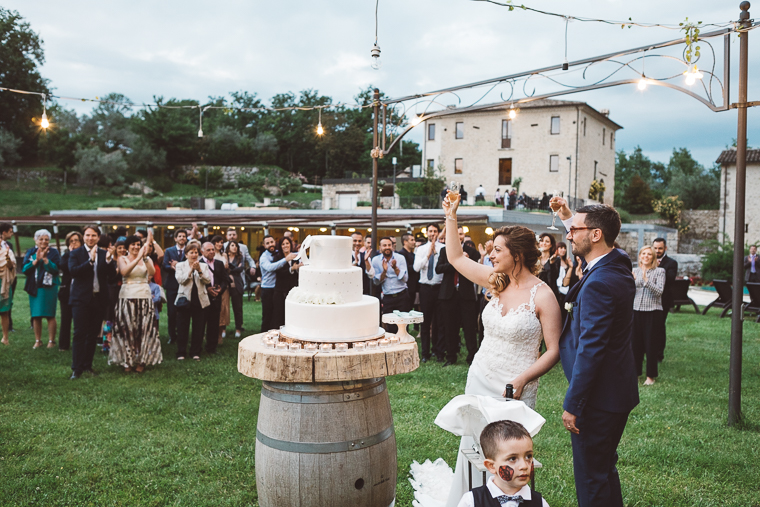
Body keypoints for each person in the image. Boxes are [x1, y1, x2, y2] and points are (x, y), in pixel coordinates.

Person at [440, 192, 561, 506]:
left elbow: (553, 351)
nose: (490, 255)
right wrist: (451, 216)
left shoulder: (543, 295)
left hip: (515, 388)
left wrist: (522, 380)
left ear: (517, 255)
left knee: (511, 456)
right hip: (481, 377)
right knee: (474, 448)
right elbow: (456, 258)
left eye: (497, 250)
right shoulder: (496, 281)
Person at [552, 197, 639, 507]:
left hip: (600, 398)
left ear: (596, 234)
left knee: (591, 478)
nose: (568, 235)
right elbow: (592, 243)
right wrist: (567, 216)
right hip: (617, 390)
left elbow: (592, 348)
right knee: (602, 471)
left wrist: (574, 404)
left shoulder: (600, 283)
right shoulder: (617, 264)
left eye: (574, 230)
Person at [456, 420, 549, 507]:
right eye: (512, 458)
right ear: (491, 466)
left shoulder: (539, 503)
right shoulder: (472, 501)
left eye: (528, 456)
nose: (524, 466)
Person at [69, 225, 117, 379]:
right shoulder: (76, 253)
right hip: (81, 299)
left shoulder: (104, 254)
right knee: (79, 333)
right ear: (84, 236)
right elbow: (73, 271)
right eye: (88, 235)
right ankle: (76, 369)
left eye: (93, 235)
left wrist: (110, 262)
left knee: (92, 334)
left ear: (98, 237)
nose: (90, 238)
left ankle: (87, 365)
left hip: (98, 299)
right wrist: (90, 261)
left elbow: (111, 278)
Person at [109, 235, 162, 373]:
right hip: (127, 296)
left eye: (138, 244)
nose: (136, 247)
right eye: (133, 245)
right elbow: (124, 272)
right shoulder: (122, 259)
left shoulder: (146, 259)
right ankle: (127, 361)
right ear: (127, 247)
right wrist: (137, 258)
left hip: (144, 295)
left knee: (143, 330)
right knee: (127, 330)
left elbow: (152, 272)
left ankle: (142, 360)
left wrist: (144, 258)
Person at [436, 239, 480, 366]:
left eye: (461, 234)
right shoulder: (445, 250)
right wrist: (456, 263)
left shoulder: (471, 251)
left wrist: (465, 260)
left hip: (466, 294)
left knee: (469, 327)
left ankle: (472, 357)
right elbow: (438, 268)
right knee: (449, 326)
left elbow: (476, 268)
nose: (459, 237)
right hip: (449, 294)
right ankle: (451, 356)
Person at [23, 229, 62, 349]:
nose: (44, 241)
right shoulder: (31, 252)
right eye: (41, 239)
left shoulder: (54, 252)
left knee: (50, 314)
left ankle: (51, 340)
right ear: (36, 240)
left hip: (49, 287)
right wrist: (36, 261)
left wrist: (45, 259)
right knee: (36, 315)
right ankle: (38, 340)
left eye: (46, 239)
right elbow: (25, 269)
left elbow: (56, 269)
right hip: (34, 287)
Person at [632, 246, 665, 386]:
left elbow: (659, 291)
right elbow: (631, 289)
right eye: (643, 254)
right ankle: (635, 374)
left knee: (651, 345)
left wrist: (646, 280)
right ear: (640, 256)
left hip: (652, 312)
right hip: (636, 311)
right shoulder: (634, 271)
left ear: (653, 257)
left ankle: (650, 376)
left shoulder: (659, 271)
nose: (646, 256)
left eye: (649, 254)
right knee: (635, 345)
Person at [413, 223, 445, 363]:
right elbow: (416, 268)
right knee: (425, 322)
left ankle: (438, 352)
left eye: (435, 231)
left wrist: (436, 252)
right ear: (426, 233)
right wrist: (428, 255)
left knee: (439, 322)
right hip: (425, 288)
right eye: (430, 231)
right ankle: (425, 353)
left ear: (438, 233)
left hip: (439, 288)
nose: (432, 233)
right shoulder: (420, 249)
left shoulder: (443, 248)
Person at [174, 242, 211, 360]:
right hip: (184, 301)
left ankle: (195, 352)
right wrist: (190, 270)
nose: (194, 255)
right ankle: (181, 352)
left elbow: (207, 280)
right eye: (191, 252)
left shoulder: (204, 266)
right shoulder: (180, 266)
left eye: (196, 252)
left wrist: (199, 270)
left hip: (199, 300)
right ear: (186, 255)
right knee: (182, 327)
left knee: (198, 328)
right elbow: (181, 280)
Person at [372, 237, 410, 333]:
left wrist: (395, 268)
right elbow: (376, 282)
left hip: (402, 295)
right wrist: (384, 271)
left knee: (403, 326)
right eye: (384, 245)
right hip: (388, 297)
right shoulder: (376, 260)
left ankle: (404, 346)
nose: (387, 247)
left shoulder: (400, 258)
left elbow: (405, 279)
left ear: (392, 246)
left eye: (389, 245)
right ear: (380, 247)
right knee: (390, 327)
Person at [259, 235, 296, 332]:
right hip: (267, 288)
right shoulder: (263, 257)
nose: (271, 244)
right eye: (267, 243)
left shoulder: (277, 253)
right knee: (267, 315)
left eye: (272, 242)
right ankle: (263, 334)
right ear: (264, 245)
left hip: (276, 289)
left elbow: (290, 252)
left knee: (275, 314)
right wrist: (286, 259)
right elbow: (271, 267)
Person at [652, 237, 678, 362]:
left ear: (665, 248)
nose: (657, 251)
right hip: (648, 299)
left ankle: (658, 354)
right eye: (655, 248)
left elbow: (670, 279)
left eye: (660, 248)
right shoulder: (647, 260)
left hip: (663, 300)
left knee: (659, 327)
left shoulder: (671, 263)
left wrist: (656, 269)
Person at [200, 242, 228, 355]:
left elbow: (225, 279)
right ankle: (197, 348)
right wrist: (207, 289)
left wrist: (220, 289)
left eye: (212, 249)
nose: (211, 252)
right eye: (208, 250)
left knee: (214, 323)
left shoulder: (219, 264)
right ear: (202, 252)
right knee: (201, 323)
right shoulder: (199, 263)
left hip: (216, 297)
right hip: (203, 297)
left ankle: (212, 348)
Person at [57, 231, 82, 351]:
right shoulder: (66, 256)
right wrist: (72, 254)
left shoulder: (84, 255)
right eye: (71, 241)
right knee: (65, 319)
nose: (74, 243)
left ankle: (80, 345)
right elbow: (65, 267)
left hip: (80, 291)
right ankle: (63, 345)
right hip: (66, 291)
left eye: (76, 240)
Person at [162, 229, 188, 345]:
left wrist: (178, 265)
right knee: (172, 312)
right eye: (180, 236)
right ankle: (172, 336)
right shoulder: (169, 250)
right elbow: (165, 265)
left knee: (184, 311)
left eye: (184, 236)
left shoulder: (189, 251)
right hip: (172, 285)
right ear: (175, 238)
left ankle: (183, 335)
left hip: (185, 285)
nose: (182, 238)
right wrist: (172, 267)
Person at [273, 237, 300, 330]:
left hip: (292, 289)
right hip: (280, 290)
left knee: (292, 313)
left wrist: (297, 268)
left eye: (287, 243)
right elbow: (279, 272)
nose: (285, 246)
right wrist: (291, 269)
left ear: (290, 245)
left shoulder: (295, 257)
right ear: (280, 246)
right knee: (279, 313)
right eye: (283, 244)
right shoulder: (277, 257)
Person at [211, 235, 230, 343]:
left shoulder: (224, 255)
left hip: (223, 286)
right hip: (213, 283)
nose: (219, 244)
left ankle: (220, 334)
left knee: (223, 309)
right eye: (217, 242)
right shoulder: (210, 255)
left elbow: (226, 271)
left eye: (221, 242)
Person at [225, 241, 245, 338]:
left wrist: (229, 269)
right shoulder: (224, 257)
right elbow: (223, 269)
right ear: (228, 247)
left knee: (237, 308)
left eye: (236, 246)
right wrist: (235, 268)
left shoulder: (240, 258)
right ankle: (223, 328)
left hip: (237, 285)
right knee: (224, 308)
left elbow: (240, 269)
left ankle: (238, 328)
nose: (234, 247)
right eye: (232, 245)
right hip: (226, 285)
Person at [0, 223, 16, 346]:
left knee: (4, 310)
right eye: (10, 231)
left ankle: (5, 337)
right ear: (3, 232)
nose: (12, 234)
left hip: (5, 280)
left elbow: (12, 266)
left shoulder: (8, 246)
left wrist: (8, 260)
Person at [398, 233, 419, 312]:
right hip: (406, 287)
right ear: (405, 242)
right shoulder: (401, 254)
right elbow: (406, 270)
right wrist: (417, 266)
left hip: (414, 287)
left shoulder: (413, 255)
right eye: (412, 240)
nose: (414, 242)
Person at [537, 233, 559, 300]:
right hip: (536, 292)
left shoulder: (556, 259)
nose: (544, 243)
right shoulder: (535, 259)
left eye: (547, 241)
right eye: (542, 241)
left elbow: (555, 277)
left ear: (551, 245)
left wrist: (552, 263)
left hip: (550, 293)